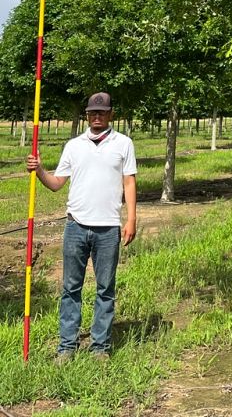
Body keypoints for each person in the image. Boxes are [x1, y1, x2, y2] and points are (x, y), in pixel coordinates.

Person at [26, 91, 137, 361]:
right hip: (75, 227)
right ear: (87, 115)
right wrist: (39, 170)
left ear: (111, 114)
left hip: (108, 228)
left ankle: (100, 347)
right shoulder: (74, 146)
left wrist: (131, 218)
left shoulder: (123, 143)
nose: (96, 117)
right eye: (92, 113)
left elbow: (129, 182)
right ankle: (67, 347)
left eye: (102, 112)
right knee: (70, 288)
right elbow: (56, 184)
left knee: (105, 289)